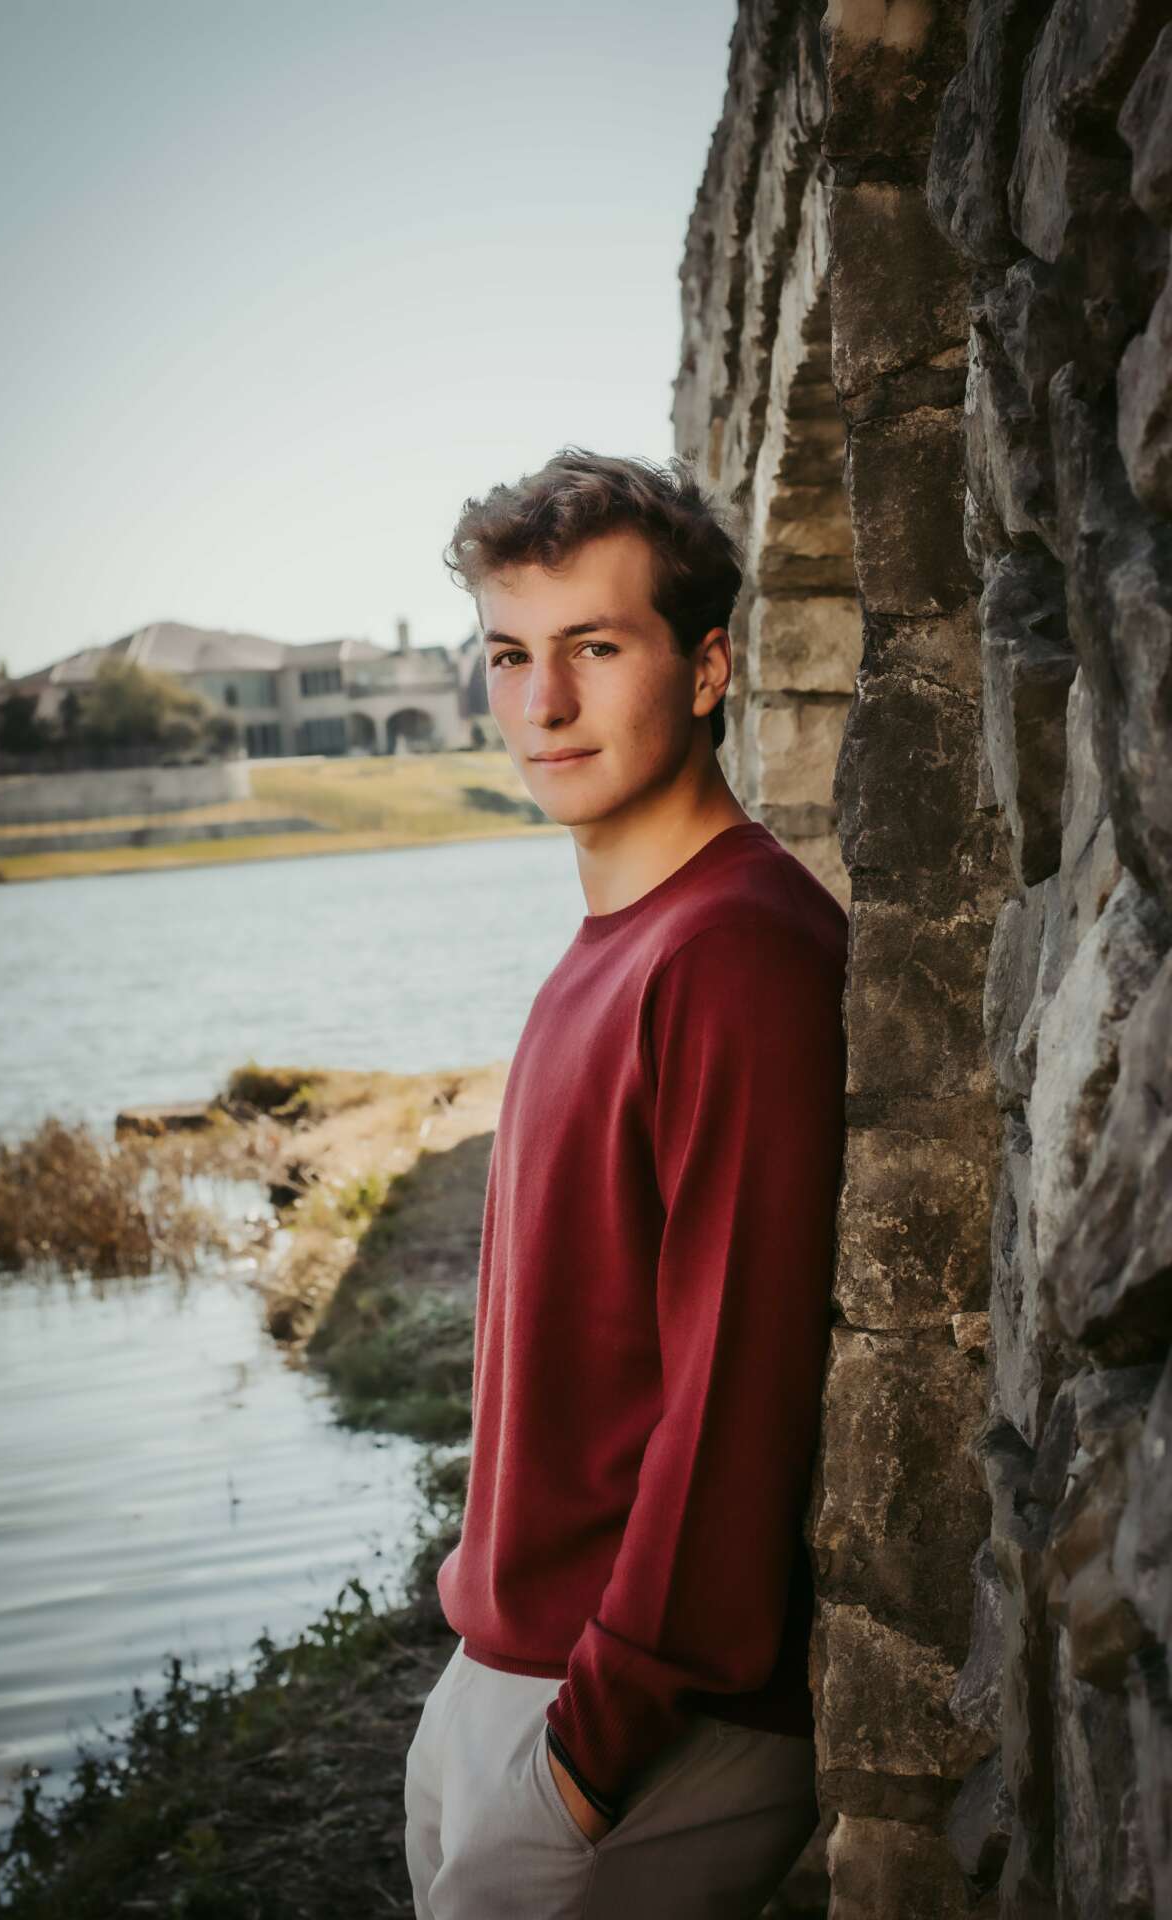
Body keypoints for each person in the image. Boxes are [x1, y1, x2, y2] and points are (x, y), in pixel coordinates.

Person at [403, 448, 848, 1919]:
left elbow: (737, 1391)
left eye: (594, 648)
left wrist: (595, 1751)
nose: (544, 703)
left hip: (633, 1727)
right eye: (510, 655)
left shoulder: (734, 955)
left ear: (708, 668)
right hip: (507, 1675)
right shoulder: (615, 945)